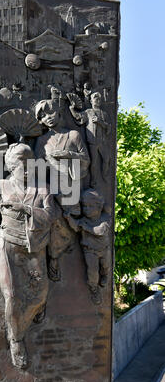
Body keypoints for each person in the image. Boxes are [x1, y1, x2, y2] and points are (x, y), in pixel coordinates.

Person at [0, 143, 60, 369]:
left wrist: (27, 210)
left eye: (30, 163)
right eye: (21, 164)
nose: (26, 169)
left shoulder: (43, 189)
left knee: (41, 293)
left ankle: (35, 307)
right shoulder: (2, 186)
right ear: (10, 166)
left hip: (35, 248)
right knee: (13, 296)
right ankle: (16, 340)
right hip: (8, 247)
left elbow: (51, 215)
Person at [34, 98, 90, 281]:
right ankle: (54, 257)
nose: (48, 118)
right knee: (55, 223)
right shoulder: (42, 141)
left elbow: (86, 161)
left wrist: (68, 155)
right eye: (43, 116)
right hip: (53, 187)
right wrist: (47, 166)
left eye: (50, 112)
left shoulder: (73, 135)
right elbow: (37, 169)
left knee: (71, 223)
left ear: (58, 112)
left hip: (72, 186)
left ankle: (68, 253)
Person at [64, 188, 111, 305]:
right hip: (90, 251)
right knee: (92, 272)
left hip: (104, 250)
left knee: (106, 266)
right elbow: (75, 227)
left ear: (99, 207)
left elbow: (100, 231)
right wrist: (69, 218)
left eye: (90, 206)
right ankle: (94, 289)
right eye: (85, 206)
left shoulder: (105, 219)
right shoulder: (83, 220)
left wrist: (86, 228)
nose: (87, 209)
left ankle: (104, 275)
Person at [68, 91, 111, 188]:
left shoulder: (104, 114)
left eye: (99, 99)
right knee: (94, 163)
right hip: (93, 142)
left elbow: (109, 128)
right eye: (95, 99)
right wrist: (71, 109)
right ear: (91, 101)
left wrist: (100, 122)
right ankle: (93, 181)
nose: (98, 100)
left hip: (103, 142)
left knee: (107, 159)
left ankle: (105, 176)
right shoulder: (88, 112)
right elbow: (78, 117)